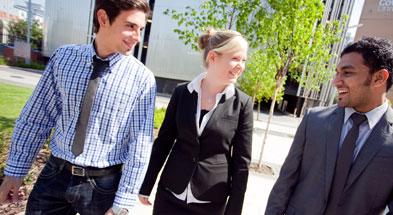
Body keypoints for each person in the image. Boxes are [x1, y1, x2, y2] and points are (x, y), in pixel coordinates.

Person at [0, 0, 155, 214]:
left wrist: (124, 202)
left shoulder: (142, 78)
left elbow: (140, 144)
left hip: (104, 186)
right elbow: (37, 117)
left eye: (141, 29)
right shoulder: (64, 58)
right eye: (130, 26)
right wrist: (15, 172)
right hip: (55, 175)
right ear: (103, 19)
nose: (137, 37)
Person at [265, 37, 393, 215]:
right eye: (337, 73)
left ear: (379, 78)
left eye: (347, 73)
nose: (336, 82)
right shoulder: (314, 120)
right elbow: (285, 183)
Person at [138, 28, 253, 215]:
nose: (241, 65)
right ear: (213, 57)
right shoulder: (182, 92)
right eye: (235, 58)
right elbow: (164, 142)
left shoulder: (242, 104)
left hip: (210, 202)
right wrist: (146, 184)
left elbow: (241, 163)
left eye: (243, 60)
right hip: (169, 195)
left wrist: (234, 210)